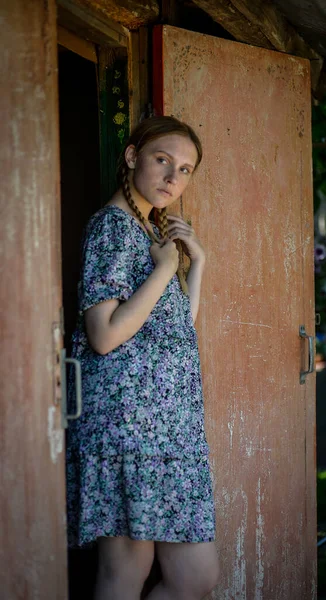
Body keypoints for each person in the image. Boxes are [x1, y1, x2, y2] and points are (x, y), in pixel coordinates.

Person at [66, 115, 219, 600]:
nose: (174, 177)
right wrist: (166, 267)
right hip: (128, 428)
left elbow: (174, 329)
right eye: (162, 160)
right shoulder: (111, 228)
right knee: (125, 573)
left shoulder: (148, 233)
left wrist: (196, 264)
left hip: (168, 429)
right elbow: (105, 336)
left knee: (195, 578)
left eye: (186, 169)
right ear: (132, 157)